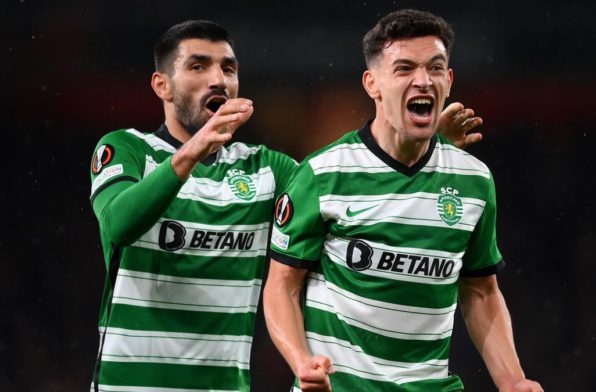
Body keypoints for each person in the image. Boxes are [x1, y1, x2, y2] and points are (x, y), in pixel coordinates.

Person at [89, 19, 483, 392]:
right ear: (162, 85)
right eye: (198, 66)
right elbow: (119, 224)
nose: (218, 79)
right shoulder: (128, 149)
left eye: (228, 68)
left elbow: (351, 192)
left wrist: (430, 148)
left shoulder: (266, 169)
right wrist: (192, 152)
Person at [264, 9, 543, 392]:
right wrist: (301, 362)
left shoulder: (473, 181)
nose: (423, 80)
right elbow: (282, 285)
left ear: (449, 80)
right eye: (404, 68)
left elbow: (481, 291)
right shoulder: (322, 174)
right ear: (372, 84)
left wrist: (512, 380)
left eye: (435, 68)